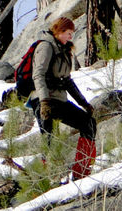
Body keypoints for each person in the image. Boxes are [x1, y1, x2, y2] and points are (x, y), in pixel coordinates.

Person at [30, 16, 97, 179]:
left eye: (72, 33)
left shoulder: (65, 51)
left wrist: (84, 104)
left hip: (59, 100)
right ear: (58, 31)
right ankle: (44, 179)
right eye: (68, 32)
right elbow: (38, 75)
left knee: (88, 123)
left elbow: (67, 80)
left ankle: (82, 172)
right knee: (49, 137)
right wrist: (44, 102)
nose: (70, 36)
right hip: (43, 100)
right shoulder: (45, 47)